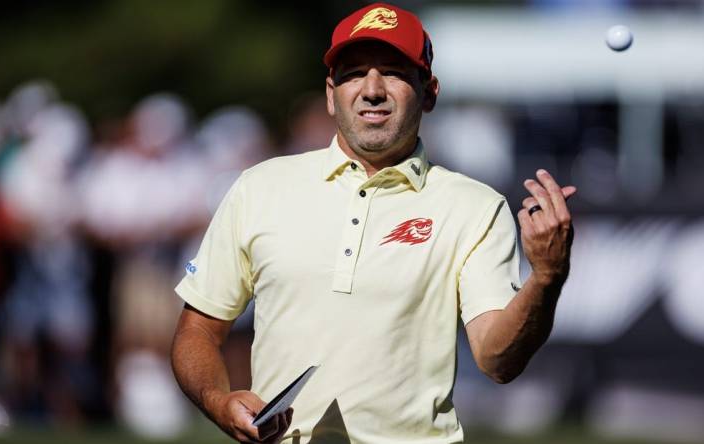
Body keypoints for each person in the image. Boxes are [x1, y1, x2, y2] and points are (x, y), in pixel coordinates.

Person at [170, 3, 576, 443]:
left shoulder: (475, 207)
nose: (372, 89)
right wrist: (217, 400)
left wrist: (547, 276)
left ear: (429, 91)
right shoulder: (260, 187)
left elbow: (499, 361)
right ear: (331, 93)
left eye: (395, 72)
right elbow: (198, 329)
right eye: (353, 73)